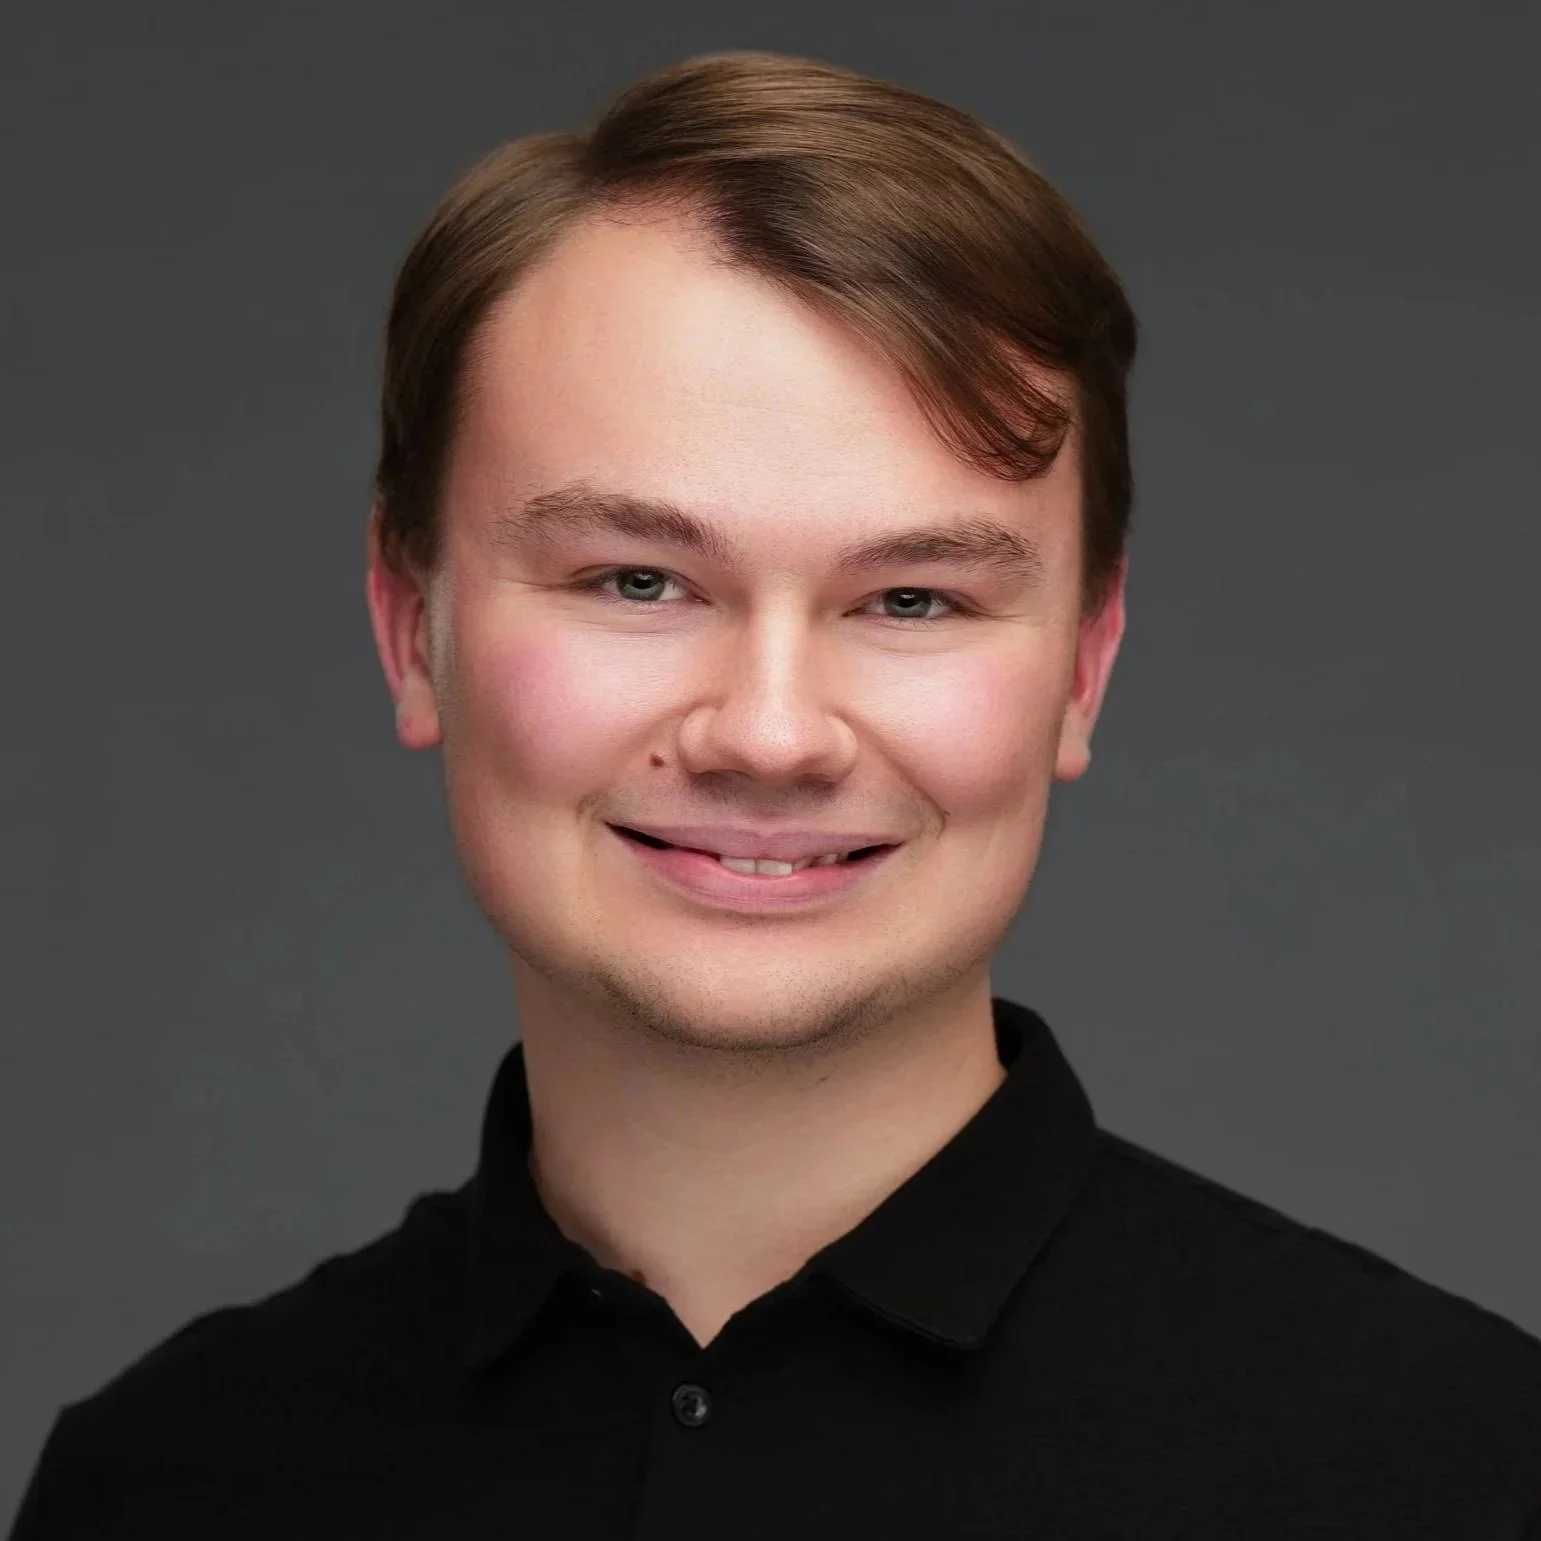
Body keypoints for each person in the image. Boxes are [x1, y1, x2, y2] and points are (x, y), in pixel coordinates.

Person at [11, 48, 1540, 1540]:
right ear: (416, 630)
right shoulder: (162, 1482)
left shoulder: (1460, 1472)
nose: (772, 732)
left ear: (1084, 669)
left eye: (916, 600)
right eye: (639, 579)